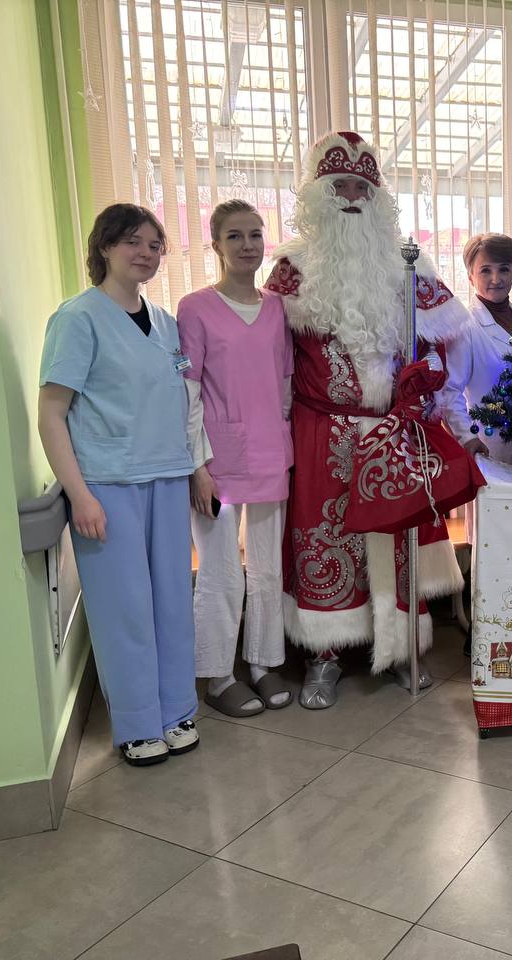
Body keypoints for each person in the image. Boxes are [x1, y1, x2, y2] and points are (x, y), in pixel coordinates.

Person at [263, 131, 470, 708]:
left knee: (394, 536)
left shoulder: (408, 264)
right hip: (320, 429)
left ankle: (399, 646)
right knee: (324, 536)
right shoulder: (290, 269)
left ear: (378, 198)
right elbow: (268, 356)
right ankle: (323, 655)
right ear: (318, 195)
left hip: (391, 427)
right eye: (340, 187)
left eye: (362, 187)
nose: (352, 198)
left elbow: (439, 345)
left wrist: (424, 386)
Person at [38, 204, 200, 766]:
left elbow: (182, 404)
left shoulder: (166, 324)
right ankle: (137, 724)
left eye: (155, 245)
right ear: (104, 246)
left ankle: (176, 710)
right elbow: (51, 413)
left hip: (167, 476)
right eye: (133, 241)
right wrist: (79, 494)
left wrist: (195, 469)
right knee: (123, 606)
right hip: (107, 484)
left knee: (173, 601)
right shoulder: (78, 318)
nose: (145, 254)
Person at [177, 200, 295, 718]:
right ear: (216, 246)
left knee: (267, 568)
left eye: (255, 234)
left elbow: (285, 384)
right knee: (222, 572)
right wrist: (198, 466)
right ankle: (218, 675)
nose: (248, 245)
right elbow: (187, 391)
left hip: (270, 453)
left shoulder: (278, 308)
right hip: (218, 462)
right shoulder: (195, 308)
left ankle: (264, 663)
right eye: (235, 236)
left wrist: (285, 441)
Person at [437, 232, 512, 467]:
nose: (496, 278)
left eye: (504, 269)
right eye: (486, 270)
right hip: (493, 448)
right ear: (471, 277)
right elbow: (450, 392)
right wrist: (468, 438)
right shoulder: (464, 327)